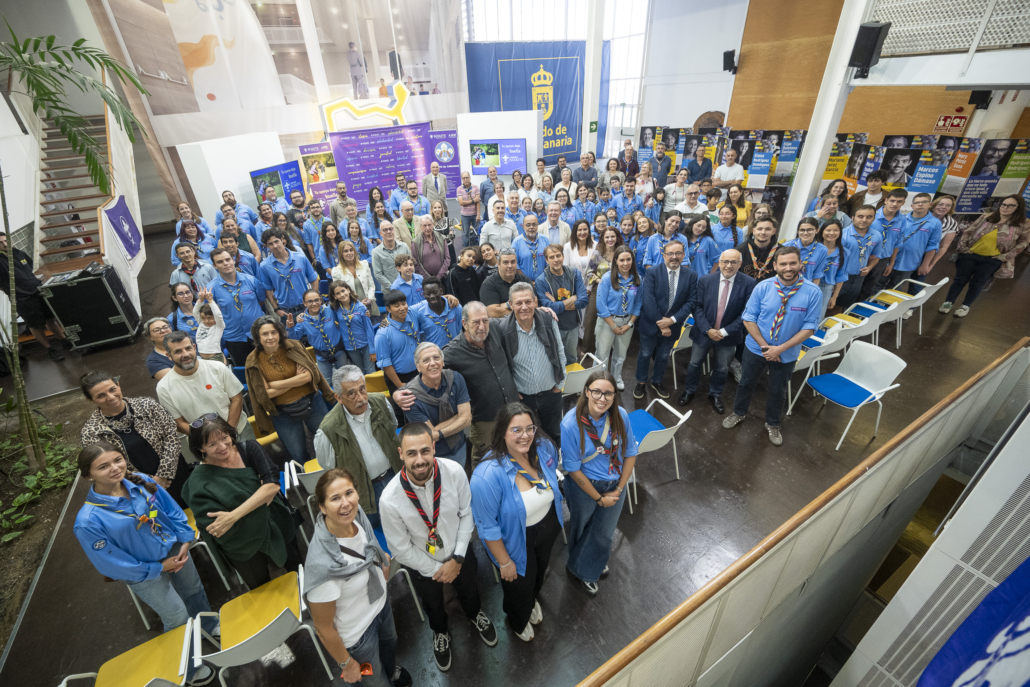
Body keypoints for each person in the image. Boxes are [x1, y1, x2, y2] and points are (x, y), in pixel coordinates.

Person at [73, 443, 218, 687]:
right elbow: (111, 564)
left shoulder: (139, 481)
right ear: (88, 475)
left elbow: (171, 510)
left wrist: (184, 540)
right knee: (176, 615)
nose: (114, 469)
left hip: (174, 549)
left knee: (193, 591)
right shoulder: (88, 520)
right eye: (103, 466)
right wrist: (160, 568)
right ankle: (189, 668)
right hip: (143, 572)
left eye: (118, 460)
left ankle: (209, 625)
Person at [381, 424, 496, 671]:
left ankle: (475, 614)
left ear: (434, 448)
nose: (420, 460)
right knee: (432, 604)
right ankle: (440, 632)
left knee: (469, 589)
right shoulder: (389, 500)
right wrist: (438, 569)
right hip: (423, 566)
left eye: (425, 451)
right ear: (400, 453)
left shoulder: (454, 472)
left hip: (460, 553)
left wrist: (457, 558)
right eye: (411, 453)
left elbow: (467, 514)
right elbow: (401, 549)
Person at [304, 468, 414, 687]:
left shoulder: (356, 514)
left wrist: (381, 558)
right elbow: (323, 629)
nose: (346, 503)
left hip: (380, 605)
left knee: (390, 645)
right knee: (375, 681)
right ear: (322, 507)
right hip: (358, 636)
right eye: (335, 498)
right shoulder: (323, 567)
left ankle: (391, 671)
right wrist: (347, 663)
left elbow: (368, 541)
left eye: (349, 493)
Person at [470, 402, 564, 642]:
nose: (525, 436)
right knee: (517, 586)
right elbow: (487, 526)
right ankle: (517, 620)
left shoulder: (542, 448)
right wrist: (504, 562)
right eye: (516, 430)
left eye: (530, 428)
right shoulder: (486, 475)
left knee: (537, 575)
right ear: (502, 432)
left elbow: (554, 475)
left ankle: (530, 602)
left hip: (547, 526)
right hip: (513, 540)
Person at [183, 416, 301, 590]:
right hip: (241, 544)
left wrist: (232, 516)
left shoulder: (249, 449)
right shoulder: (199, 481)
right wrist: (260, 497)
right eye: (212, 444)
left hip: (276, 521)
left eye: (224, 438)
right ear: (201, 448)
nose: (222, 447)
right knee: (261, 590)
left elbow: (273, 486)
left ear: (231, 434)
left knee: (298, 569)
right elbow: (216, 525)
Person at [723, 246, 823, 446]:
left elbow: (810, 327)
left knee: (778, 390)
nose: (788, 268)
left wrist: (780, 349)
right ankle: (739, 412)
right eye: (783, 264)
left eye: (792, 263)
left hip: (786, 353)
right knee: (745, 383)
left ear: (800, 264)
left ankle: (773, 423)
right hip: (756, 348)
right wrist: (765, 347)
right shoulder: (763, 287)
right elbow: (749, 318)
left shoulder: (813, 292)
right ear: (775, 266)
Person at [560, 369, 637, 595]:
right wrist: (598, 498)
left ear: (614, 396)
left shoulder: (620, 415)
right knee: (581, 527)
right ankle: (582, 563)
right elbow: (573, 469)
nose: (602, 399)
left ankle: (586, 567)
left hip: (615, 482)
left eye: (608, 394)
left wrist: (620, 488)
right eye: (596, 392)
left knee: (604, 530)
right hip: (584, 485)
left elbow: (631, 453)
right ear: (586, 392)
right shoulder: (570, 424)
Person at [80, 371, 192, 507]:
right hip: (140, 488)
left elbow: (171, 436)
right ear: (90, 400)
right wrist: (147, 482)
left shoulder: (147, 405)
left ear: (118, 385)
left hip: (175, 473)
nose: (110, 397)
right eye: (100, 396)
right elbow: (104, 466)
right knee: (159, 520)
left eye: (112, 389)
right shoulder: (92, 432)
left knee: (192, 509)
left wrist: (163, 475)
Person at [314, 367, 402, 529]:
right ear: (339, 398)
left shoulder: (381, 403)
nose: (361, 398)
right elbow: (328, 465)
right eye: (351, 393)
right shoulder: (328, 430)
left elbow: (394, 427)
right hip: (363, 490)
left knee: (403, 518)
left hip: (394, 476)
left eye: (362, 389)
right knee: (373, 528)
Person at [678, 249, 756, 414]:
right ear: (719, 262)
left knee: (721, 368)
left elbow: (747, 313)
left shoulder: (749, 283)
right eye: (725, 261)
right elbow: (697, 307)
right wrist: (708, 329)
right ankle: (689, 390)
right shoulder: (705, 280)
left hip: (728, 336)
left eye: (733, 262)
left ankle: (715, 394)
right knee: (694, 363)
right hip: (704, 332)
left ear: (740, 264)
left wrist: (724, 332)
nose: (728, 266)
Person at [496, 282, 567, 443]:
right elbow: (502, 365)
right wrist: (512, 390)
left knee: (555, 435)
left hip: (551, 392)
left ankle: (554, 465)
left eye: (528, 301)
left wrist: (560, 384)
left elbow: (560, 353)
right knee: (527, 438)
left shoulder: (549, 320)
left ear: (535, 301)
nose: (524, 307)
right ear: (511, 305)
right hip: (523, 398)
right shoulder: (503, 330)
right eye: (518, 303)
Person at [156, 330, 254, 443]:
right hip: (204, 443)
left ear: (194, 347)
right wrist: (209, 439)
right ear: (169, 356)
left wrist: (228, 432)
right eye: (178, 351)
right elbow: (179, 422)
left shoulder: (218, 368)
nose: (186, 354)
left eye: (188, 348)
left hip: (239, 431)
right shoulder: (164, 387)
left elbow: (237, 399)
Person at [940, 195, 1029, 318]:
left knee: (977, 283)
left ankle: (965, 306)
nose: (1005, 207)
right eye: (1004, 204)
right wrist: (963, 248)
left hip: (992, 260)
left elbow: (1024, 242)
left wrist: (1006, 256)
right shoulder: (986, 217)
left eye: (1010, 205)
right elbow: (968, 231)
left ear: (1018, 207)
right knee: (959, 280)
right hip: (970, 255)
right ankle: (948, 303)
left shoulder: (1023, 223)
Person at [633, 240, 697, 400]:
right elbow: (648, 300)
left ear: (683, 255)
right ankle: (641, 382)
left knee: (663, 356)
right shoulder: (652, 272)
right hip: (650, 323)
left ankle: (656, 381)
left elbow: (691, 302)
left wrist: (672, 320)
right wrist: (662, 323)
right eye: (670, 254)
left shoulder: (691, 275)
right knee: (645, 353)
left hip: (673, 326)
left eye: (678, 253)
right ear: (664, 256)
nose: (674, 257)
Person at [0, 231, 73, 361]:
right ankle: (50, 349)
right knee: (35, 325)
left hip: (38, 291)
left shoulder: (19, 253)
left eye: (6, 241)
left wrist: (44, 276)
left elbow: (32, 267)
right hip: (23, 299)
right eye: (1, 243)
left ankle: (63, 340)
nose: (5, 244)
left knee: (50, 319)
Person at [401, 344, 472, 467]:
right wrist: (458, 417)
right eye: (426, 360)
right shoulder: (410, 397)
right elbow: (429, 436)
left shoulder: (456, 378)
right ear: (418, 367)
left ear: (443, 362)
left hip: (460, 448)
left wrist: (437, 433)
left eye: (436, 357)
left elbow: (467, 420)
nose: (433, 363)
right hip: (435, 456)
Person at [207, 248, 267, 366]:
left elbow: (261, 301)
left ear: (233, 260)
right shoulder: (211, 288)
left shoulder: (251, 280)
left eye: (228, 259)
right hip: (234, 338)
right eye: (220, 262)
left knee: (268, 366)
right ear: (214, 265)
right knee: (246, 371)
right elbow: (212, 313)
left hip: (259, 333)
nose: (225, 263)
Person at [595, 245, 641, 390]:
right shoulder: (607, 278)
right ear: (616, 261)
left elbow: (639, 304)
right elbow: (601, 305)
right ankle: (599, 380)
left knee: (621, 354)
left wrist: (630, 324)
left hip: (627, 321)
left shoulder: (637, 279)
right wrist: (613, 326)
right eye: (622, 260)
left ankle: (616, 377)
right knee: (602, 354)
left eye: (628, 259)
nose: (625, 263)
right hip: (607, 321)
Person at [536, 244, 587, 366]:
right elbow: (550, 308)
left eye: (558, 255)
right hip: (554, 327)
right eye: (552, 257)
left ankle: (571, 384)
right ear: (547, 260)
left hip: (572, 326)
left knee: (571, 359)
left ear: (563, 256)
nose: (556, 259)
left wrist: (557, 304)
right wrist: (573, 298)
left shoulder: (574, 274)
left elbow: (584, 300)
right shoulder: (541, 280)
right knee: (555, 360)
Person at [883, 192, 941, 295]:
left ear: (930, 204)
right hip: (890, 258)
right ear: (912, 205)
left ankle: (888, 308)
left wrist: (925, 264)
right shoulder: (902, 218)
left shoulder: (935, 223)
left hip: (910, 261)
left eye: (924, 202)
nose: (920, 204)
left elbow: (932, 246)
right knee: (879, 283)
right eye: (917, 202)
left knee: (896, 287)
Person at [259, 229, 319, 324]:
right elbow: (268, 289)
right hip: (284, 311)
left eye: (276, 241)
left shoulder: (300, 258)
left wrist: (312, 302)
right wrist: (276, 309)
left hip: (305, 307)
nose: (275, 246)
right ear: (267, 246)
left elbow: (314, 279)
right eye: (270, 244)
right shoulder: (265, 265)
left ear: (282, 239)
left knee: (311, 336)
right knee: (290, 338)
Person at [860, 188, 908, 300]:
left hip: (883, 259)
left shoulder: (903, 220)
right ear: (886, 200)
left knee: (871, 285)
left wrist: (891, 264)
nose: (894, 204)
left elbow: (897, 243)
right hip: (866, 256)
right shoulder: (872, 216)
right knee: (858, 283)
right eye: (892, 200)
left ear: (903, 203)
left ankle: (859, 310)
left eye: (899, 201)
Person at [288, 288, 346, 382]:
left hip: (338, 351)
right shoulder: (303, 319)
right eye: (310, 301)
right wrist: (290, 328)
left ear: (321, 300)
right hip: (321, 355)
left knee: (346, 378)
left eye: (316, 300)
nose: (314, 304)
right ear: (304, 303)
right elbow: (294, 339)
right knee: (325, 382)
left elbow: (345, 315)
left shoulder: (330, 310)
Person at [583, 226, 623, 355]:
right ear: (603, 239)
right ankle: (587, 349)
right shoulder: (597, 253)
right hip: (598, 290)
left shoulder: (622, 252)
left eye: (612, 236)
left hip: (617, 292)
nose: (610, 239)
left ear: (617, 237)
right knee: (590, 320)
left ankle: (607, 348)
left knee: (611, 320)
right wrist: (600, 281)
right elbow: (588, 272)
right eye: (607, 237)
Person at [375, 289, 423, 395]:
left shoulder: (411, 313)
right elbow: (386, 365)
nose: (402, 308)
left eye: (404, 304)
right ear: (388, 309)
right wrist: (400, 385)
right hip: (399, 378)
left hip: (418, 372)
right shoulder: (383, 334)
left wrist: (447, 296)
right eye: (397, 306)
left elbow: (429, 301)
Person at [838, 204, 883, 310]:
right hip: (841, 277)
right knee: (833, 304)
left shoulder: (876, 236)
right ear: (853, 217)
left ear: (873, 219)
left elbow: (877, 256)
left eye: (869, 217)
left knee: (848, 305)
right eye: (860, 216)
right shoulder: (842, 235)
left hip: (859, 277)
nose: (864, 220)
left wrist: (869, 267)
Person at [480, 248, 532, 317]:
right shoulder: (488, 284)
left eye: (513, 262)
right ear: (498, 264)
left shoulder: (525, 280)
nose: (510, 266)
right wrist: (520, 312)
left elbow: (534, 304)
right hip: (500, 325)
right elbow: (492, 312)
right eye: (505, 262)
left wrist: (504, 305)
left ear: (516, 262)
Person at [412, 277, 462, 348]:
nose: (432, 296)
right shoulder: (420, 314)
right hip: (434, 355)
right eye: (428, 294)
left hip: (456, 351)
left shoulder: (455, 307)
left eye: (435, 292)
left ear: (441, 291)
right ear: (423, 294)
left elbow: (464, 330)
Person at [782, 218, 829, 285]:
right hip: (785, 285)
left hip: (805, 287)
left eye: (810, 230)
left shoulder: (822, 250)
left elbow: (817, 274)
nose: (805, 233)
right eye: (802, 230)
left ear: (817, 230)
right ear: (798, 231)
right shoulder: (786, 246)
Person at [816, 221, 847, 317]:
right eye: (828, 230)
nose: (832, 233)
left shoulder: (844, 253)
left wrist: (834, 297)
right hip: (810, 284)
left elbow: (841, 276)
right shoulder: (814, 248)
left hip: (826, 288)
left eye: (836, 230)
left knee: (818, 316)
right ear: (822, 232)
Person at [371, 221, 411, 294]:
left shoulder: (404, 246)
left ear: (394, 230)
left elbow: (411, 266)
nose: (389, 232)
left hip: (407, 288)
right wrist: (393, 287)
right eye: (385, 230)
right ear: (380, 233)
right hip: (390, 292)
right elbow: (378, 274)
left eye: (390, 229)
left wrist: (409, 283)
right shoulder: (376, 252)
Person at [737, 216, 779, 282]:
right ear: (754, 231)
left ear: (774, 231)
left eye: (768, 229)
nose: (763, 232)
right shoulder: (739, 251)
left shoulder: (781, 252)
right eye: (760, 229)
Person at [511, 214, 549, 281]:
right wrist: (528, 281)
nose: (531, 227)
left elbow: (548, 263)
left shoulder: (545, 240)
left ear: (538, 225)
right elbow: (515, 265)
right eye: (528, 225)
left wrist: (541, 280)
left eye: (534, 224)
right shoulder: (516, 242)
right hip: (523, 282)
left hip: (543, 282)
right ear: (523, 226)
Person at [411, 214, 450, 279]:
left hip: (442, 277)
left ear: (433, 225)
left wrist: (439, 276)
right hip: (424, 279)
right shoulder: (415, 242)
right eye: (424, 225)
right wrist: (428, 278)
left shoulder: (442, 238)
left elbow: (447, 259)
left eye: (429, 225)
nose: (427, 228)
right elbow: (415, 263)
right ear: (421, 227)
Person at [927, 195, 960, 271]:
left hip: (928, 255)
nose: (943, 207)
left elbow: (943, 247)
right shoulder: (922, 216)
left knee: (918, 281)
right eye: (940, 204)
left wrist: (931, 264)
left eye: (948, 205)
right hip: (910, 252)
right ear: (934, 205)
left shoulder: (951, 223)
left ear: (950, 208)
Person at [194, 290, 226, 364]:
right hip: (201, 358)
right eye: (203, 318)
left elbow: (218, 314)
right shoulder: (201, 323)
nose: (206, 321)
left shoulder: (218, 325)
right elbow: (195, 312)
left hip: (215, 358)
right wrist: (200, 300)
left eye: (210, 318)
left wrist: (210, 301)